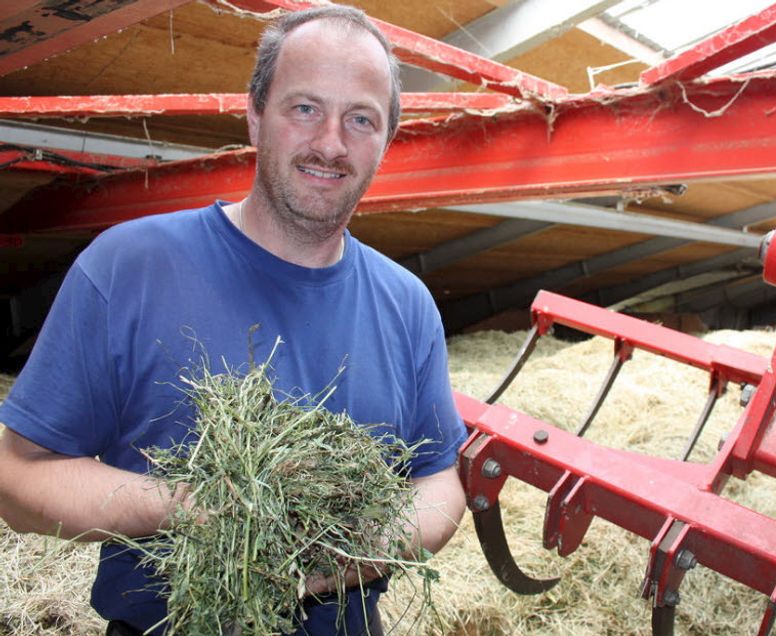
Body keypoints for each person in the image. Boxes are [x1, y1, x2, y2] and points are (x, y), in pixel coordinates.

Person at [0, 5, 467, 635]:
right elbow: (17, 478)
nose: (331, 143)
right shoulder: (128, 267)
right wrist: (192, 507)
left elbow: (440, 477)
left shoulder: (407, 304)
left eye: (361, 120)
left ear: (385, 143)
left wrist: (366, 541)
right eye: (305, 108)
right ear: (254, 115)